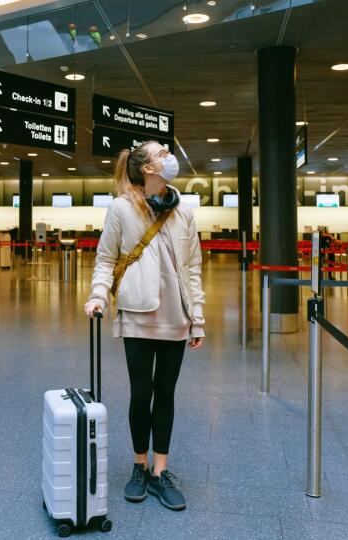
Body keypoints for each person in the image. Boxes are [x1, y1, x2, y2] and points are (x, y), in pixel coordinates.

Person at [84, 140, 205, 511]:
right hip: (137, 313)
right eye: (162, 154)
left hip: (175, 315)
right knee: (141, 390)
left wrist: (196, 317)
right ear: (148, 168)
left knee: (165, 391)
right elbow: (106, 258)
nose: (169, 157)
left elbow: (194, 269)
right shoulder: (121, 209)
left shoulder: (183, 212)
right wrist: (98, 294)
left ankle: (160, 470)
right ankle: (139, 464)